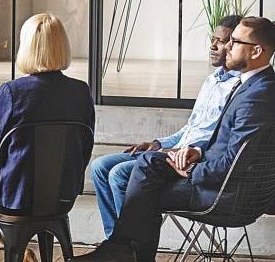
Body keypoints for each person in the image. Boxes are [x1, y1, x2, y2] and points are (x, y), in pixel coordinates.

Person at [76, 16, 275, 261]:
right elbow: (229, 144)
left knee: (134, 181)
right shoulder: (254, 87)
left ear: (256, 51)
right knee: (148, 163)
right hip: (209, 170)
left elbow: (233, 162)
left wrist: (192, 169)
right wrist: (197, 153)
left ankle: (125, 250)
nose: (227, 47)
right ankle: (122, 247)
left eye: (234, 42)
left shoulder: (256, 96)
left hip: (221, 194)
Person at [90, 15, 242, 239]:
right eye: (213, 38)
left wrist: (174, 152)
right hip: (169, 151)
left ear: (234, 45)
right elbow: (190, 128)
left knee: (118, 174)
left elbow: (214, 141)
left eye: (222, 40)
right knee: (99, 166)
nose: (213, 45)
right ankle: (116, 243)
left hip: (186, 162)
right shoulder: (211, 81)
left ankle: (131, 245)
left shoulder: (238, 88)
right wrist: (158, 144)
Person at [0, 13, 95, 261]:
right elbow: (84, 151)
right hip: (62, 198)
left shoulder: (12, 92)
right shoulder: (81, 91)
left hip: (14, 197)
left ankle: (18, 251)